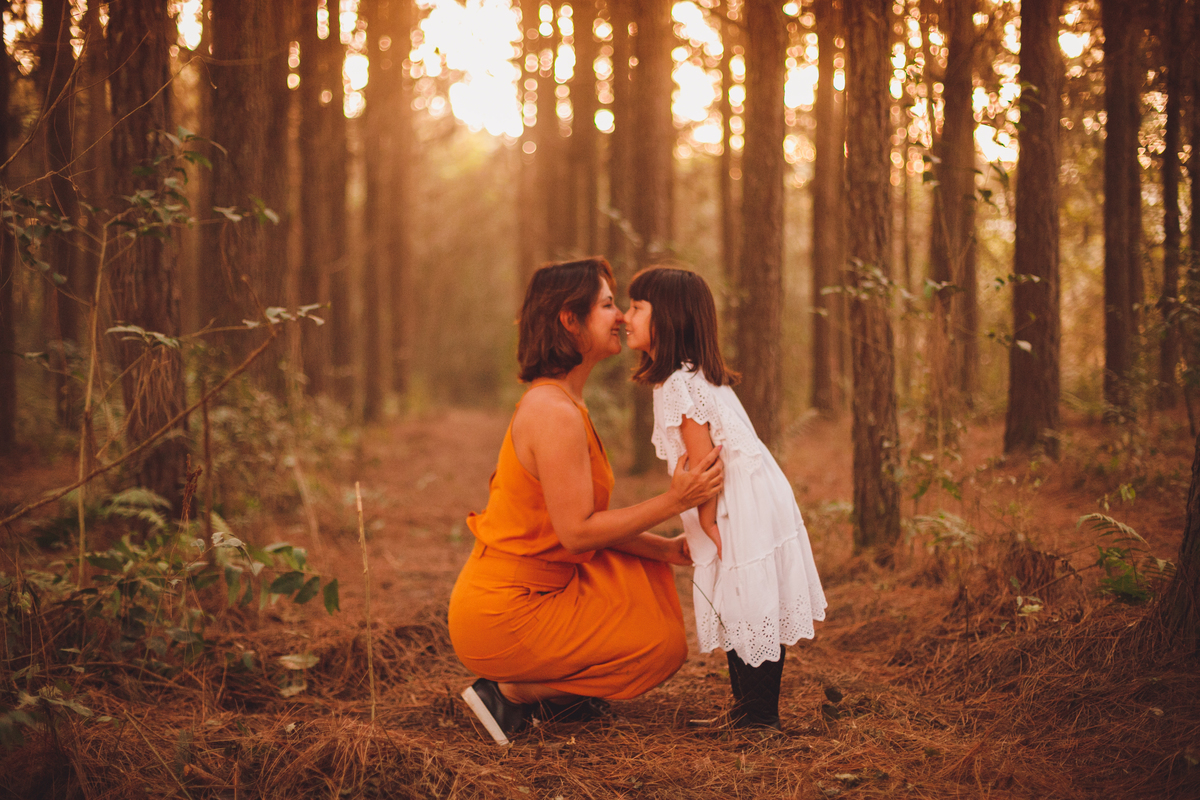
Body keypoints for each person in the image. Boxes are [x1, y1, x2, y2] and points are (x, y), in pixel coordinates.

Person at [448, 258, 725, 745]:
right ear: (568, 320)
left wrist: (666, 550)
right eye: (606, 305)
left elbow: (573, 526)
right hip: (505, 612)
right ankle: (512, 691)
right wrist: (673, 500)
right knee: (660, 648)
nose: (620, 316)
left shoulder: (565, 402)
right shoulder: (552, 412)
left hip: (541, 586)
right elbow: (577, 532)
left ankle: (552, 691)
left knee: (647, 605)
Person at [623, 266, 827, 730]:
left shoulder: (678, 383)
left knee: (744, 597)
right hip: (753, 492)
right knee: (741, 601)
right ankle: (749, 712)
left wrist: (709, 523)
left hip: (734, 501)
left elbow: (703, 464)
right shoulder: (692, 375)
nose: (626, 316)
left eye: (637, 308)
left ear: (668, 318)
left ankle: (759, 719)